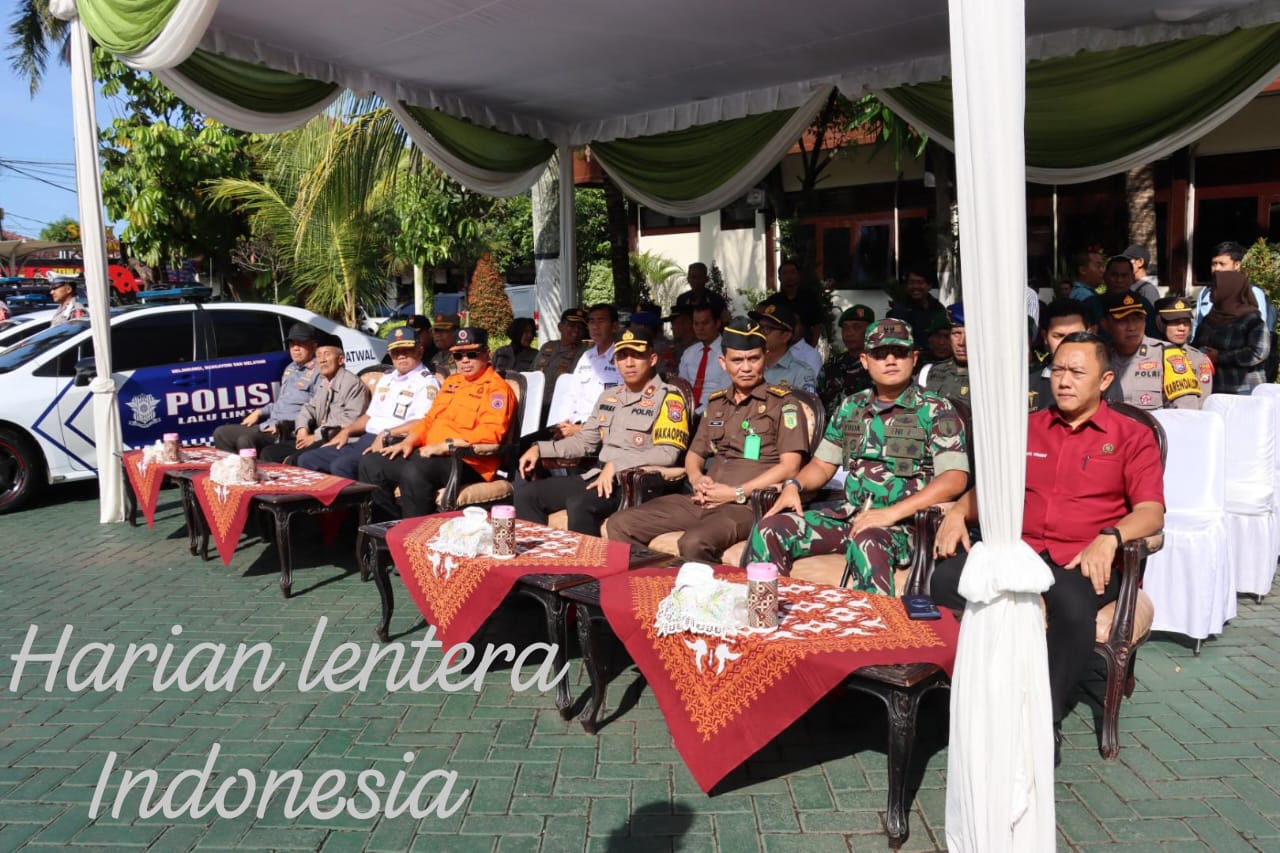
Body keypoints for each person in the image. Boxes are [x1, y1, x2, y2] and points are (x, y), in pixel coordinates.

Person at [930, 331, 1164, 765]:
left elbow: (1151, 512)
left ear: (1105, 380)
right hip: (1018, 552)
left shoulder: (1131, 436)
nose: (1064, 381)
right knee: (943, 581)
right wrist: (959, 511)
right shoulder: (1027, 429)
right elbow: (990, 490)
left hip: (1080, 559)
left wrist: (1110, 537)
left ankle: (1044, 719)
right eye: (1057, 370)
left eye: (1077, 372)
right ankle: (971, 700)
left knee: (1073, 611)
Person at [746, 318, 968, 595]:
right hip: (850, 516)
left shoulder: (936, 410)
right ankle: (772, 611)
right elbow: (822, 465)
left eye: (899, 353)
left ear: (913, 358)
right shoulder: (851, 406)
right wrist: (795, 485)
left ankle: (871, 621)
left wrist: (889, 514)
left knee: (868, 541)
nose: (890, 360)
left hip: (903, 526)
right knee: (771, 528)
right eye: (880, 354)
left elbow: (954, 479)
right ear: (865, 360)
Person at [606, 318, 808, 562]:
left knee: (693, 542)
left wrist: (734, 493)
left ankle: (702, 587)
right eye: (737, 360)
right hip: (702, 499)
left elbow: (790, 467)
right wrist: (697, 479)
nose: (746, 367)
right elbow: (694, 454)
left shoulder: (784, 404)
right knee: (620, 524)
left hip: (746, 505)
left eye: (753, 359)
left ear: (765, 358)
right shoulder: (716, 403)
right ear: (723, 363)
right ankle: (653, 582)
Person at [514, 329, 690, 535]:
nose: (629, 363)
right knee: (527, 495)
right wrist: (539, 449)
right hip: (599, 476)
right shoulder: (609, 397)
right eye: (622, 356)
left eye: (637, 355)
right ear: (615, 362)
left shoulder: (669, 398)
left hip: (636, 484)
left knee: (580, 503)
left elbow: (667, 454)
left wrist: (617, 465)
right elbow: (584, 442)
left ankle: (586, 557)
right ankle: (544, 553)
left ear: (652, 359)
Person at [359, 327, 515, 518]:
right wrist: (409, 441)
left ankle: (415, 532)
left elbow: (490, 435)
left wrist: (445, 446)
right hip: (429, 453)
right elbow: (429, 419)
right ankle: (389, 527)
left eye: (472, 354)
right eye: (458, 356)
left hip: (468, 461)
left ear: (487, 354)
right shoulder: (452, 382)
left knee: (415, 470)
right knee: (372, 463)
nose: (465, 360)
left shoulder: (497, 390)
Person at [295, 326, 439, 478]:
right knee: (307, 459)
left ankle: (357, 495)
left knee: (341, 466)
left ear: (419, 351)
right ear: (390, 354)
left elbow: (423, 422)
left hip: (392, 442)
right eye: (396, 352)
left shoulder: (426, 382)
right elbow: (369, 416)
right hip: (366, 438)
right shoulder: (387, 378)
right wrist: (347, 431)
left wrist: (387, 433)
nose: (401, 356)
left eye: (407, 350)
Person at [261, 331, 369, 463]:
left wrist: (315, 436)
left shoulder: (351, 383)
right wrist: (302, 429)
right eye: (318, 355)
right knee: (269, 452)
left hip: (336, 438)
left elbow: (351, 419)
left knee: (296, 459)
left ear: (340, 360)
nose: (322, 360)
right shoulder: (325, 382)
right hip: (316, 436)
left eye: (327, 354)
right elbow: (309, 408)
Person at [212, 323, 321, 453]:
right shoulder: (291, 368)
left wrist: (285, 426)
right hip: (269, 424)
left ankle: (250, 466)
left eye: (301, 343)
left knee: (245, 439)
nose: (295, 348)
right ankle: (232, 466)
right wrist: (258, 412)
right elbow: (281, 403)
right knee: (221, 433)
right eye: (292, 344)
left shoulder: (319, 372)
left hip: (285, 430)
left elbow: (316, 411)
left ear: (314, 346)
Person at [1103, 292, 1204, 410]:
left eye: (1138, 319)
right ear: (1106, 324)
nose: (1132, 327)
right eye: (1123, 320)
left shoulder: (1167, 354)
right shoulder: (1099, 356)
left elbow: (1186, 408)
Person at [1031, 300, 1123, 413]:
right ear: (1045, 336)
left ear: (1091, 333)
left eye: (1075, 336)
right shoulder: (1028, 382)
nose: (1067, 343)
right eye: (1058, 336)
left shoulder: (1102, 379)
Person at [547, 304, 621, 439]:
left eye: (601, 321)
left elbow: (620, 408)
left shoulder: (623, 358)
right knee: (530, 445)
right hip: (574, 427)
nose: (595, 326)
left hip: (603, 432)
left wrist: (580, 429)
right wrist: (563, 423)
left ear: (615, 326)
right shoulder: (587, 356)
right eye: (591, 321)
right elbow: (571, 395)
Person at [1192, 270, 1270, 395]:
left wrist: (1220, 357)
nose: (1210, 291)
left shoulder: (1251, 320)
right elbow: (1196, 345)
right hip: (1213, 387)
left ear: (1229, 290)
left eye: (1215, 287)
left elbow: (1258, 352)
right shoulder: (1209, 318)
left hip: (1243, 390)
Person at [1194, 241, 1274, 333]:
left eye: (1222, 264)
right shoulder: (1206, 292)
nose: (1217, 269)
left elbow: (1259, 332)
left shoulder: (1252, 292)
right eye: (1214, 264)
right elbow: (1197, 326)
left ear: (1236, 265)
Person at [1153, 297, 1214, 403]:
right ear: (1160, 323)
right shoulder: (1148, 356)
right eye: (1175, 322)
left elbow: (1202, 400)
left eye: (1186, 322)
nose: (1182, 328)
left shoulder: (1198, 359)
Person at [817, 304, 874, 412]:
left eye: (856, 327)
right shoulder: (832, 365)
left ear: (871, 331)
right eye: (845, 328)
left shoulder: (879, 365)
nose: (849, 333)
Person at [751, 301, 817, 392]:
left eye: (767, 329)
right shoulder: (748, 366)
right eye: (759, 327)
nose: (760, 333)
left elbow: (807, 401)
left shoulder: (801, 373)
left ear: (785, 336)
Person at [678, 304, 728, 410]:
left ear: (717, 323)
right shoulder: (688, 353)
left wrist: (698, 412)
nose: (700, 328)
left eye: (705, 323)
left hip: (717, 411)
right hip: (687, 410)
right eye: (696, 324)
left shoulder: (728, 352)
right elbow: (682, 387)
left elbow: (725, 391)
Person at [887, 267, 947, 351]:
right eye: (911, 283)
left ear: (930, 286)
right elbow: (893, 336)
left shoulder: (938, 307)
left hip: (936, 354)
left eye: (920, 282)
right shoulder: (900, 308)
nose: (915, 286)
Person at [771, 259, 827, 346]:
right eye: (785, 273)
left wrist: (813, 344)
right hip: (780, 346)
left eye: (792, 272)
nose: (789, 276)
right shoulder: (774, 300)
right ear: (779, 278)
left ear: (798, 275)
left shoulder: (810, 299)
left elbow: (817, 324)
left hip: (804, 345)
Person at [924, 303, 969, 399]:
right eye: (956, 334)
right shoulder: (929, 372)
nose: (962, 342)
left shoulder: (989, 374)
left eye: (969, 334)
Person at [532, 308, 589, 384]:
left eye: (580, 327)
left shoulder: (586, 352)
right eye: (572, 325)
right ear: (560, 326)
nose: (576, 330)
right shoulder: (547, 346)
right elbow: (532, 372)